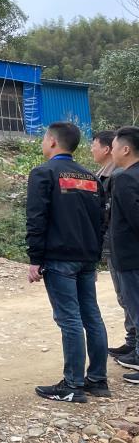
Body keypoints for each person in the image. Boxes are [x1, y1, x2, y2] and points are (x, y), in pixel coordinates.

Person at [26, 122, 108, 402]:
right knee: (91, 316)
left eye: (44, 138)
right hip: (86, 257)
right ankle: (97, 380)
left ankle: (72, 384)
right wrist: (94, 255)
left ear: (52, 141)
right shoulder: (91, 177)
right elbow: (101, 220)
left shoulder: (44, 173)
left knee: (70, 319)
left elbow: (37, 218)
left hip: (60, 257)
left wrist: (35, 259)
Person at [93, 130, 134, 359]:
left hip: (123, 247)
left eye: (95, 145)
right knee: (125, 296)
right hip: (115, 244)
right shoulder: (105, 175)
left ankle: (135, 346)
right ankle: (132, 341)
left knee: (130, 297)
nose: (92, 149)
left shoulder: (121, 176)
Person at [108, 127, 139, 383]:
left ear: (126, 149)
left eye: (115, 147)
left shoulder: (126, 179)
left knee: (137, 308)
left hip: (131, 257)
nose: (112, 151)